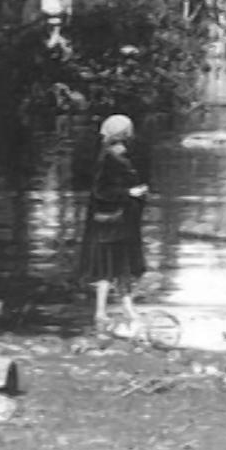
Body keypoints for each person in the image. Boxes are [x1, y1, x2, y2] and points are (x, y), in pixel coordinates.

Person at [77, 114, 149, 330]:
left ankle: (126, 310)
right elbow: (100, 191)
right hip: (111, 223)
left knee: (120, 267)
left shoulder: (115, 155)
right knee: (108, 267)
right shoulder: (108, 158)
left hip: (120, 221)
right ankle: (101, 312)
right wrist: (130, 192)